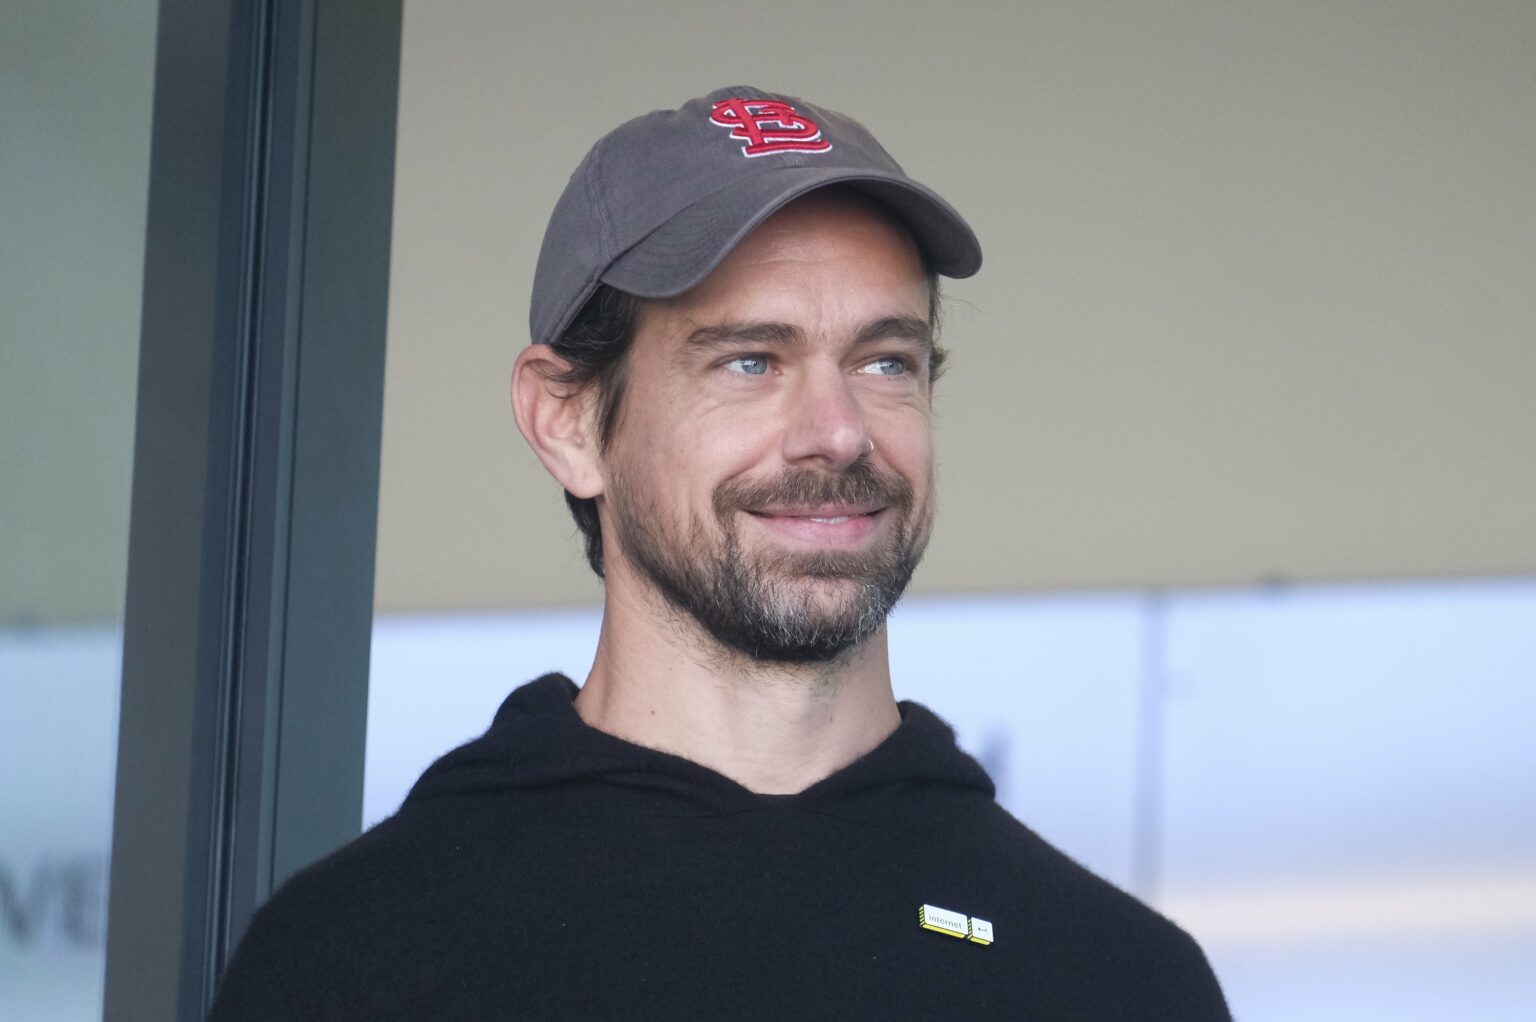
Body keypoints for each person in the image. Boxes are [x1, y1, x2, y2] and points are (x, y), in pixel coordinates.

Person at [210, 86, 1231, 1020]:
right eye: (750, 361)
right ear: (567, 421)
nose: (837, 432)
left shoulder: (1115, 976)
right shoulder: (361, 954)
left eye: (886, 361)